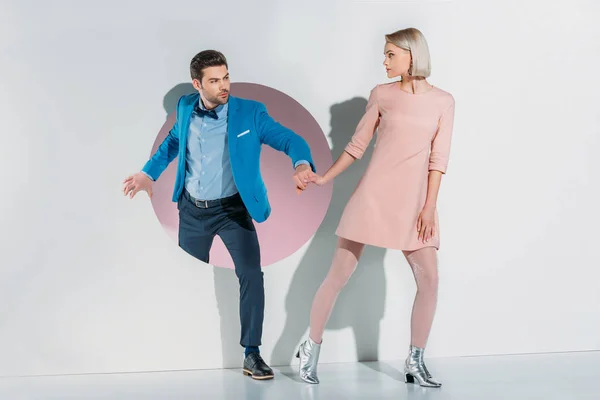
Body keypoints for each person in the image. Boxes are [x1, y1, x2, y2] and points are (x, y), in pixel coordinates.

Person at [122, 50, 316, 380]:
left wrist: (300, 163)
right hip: (192, 210)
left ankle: (251, 354)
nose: (224, 85)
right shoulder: (185, 107)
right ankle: (181, 349)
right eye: (214, 80)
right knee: (184, 278)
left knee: (251, 276)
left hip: (233, 210)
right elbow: (172, 142)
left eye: (226, 77)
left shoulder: (250, 113)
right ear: (197, 84)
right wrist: (147, 174)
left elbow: (289, 139)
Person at [296, 27, 455, 388]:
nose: (383, 61)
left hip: (415, 205)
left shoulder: (444, 101)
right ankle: (310, 348)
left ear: (411, 56)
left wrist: (429, 207)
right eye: (384, 54)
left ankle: (415, 361)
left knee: (429, 279)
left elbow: (438, 159)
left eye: (390, 54)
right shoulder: (382, 95)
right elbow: (356, 146)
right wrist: (324, 179)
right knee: (337, 277)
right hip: (372, 199)